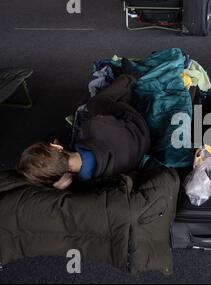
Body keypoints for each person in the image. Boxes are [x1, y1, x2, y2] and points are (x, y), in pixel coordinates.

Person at [18, 59, 150, 189]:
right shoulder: (93, 127)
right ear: (57, 147)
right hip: (139, 131)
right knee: (96, 104)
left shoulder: (87, 184)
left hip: (136, 155)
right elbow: (114, 119)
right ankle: (129, 77)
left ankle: (125, 88)